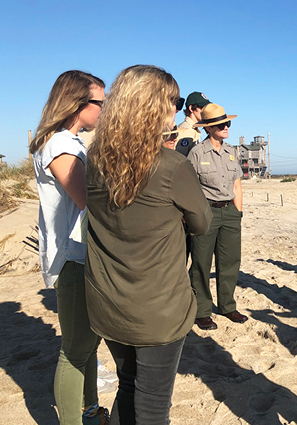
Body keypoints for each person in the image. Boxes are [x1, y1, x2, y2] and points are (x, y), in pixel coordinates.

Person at [85, 64, 211, 425]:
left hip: (107, 302)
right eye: (173, 101)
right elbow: (201, 223)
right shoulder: (170, 166)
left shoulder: (93, 161)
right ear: (153, 107)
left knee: (127, 386)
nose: (176, 109)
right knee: (154, 404)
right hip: (157, 307)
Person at [29, 69, 110, 425]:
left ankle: (89, 412)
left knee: (87, 346)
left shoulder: (69, 141)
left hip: (78, 255)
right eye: (100, 104)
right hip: (73, 258)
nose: (104, 112)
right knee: (75, 351)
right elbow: (87, 199)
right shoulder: (61, 144)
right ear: (79, 104)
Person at [187, 102, 246, 330]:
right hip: (206, 212)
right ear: (208, 128)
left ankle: (227, 306)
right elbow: (190, 187)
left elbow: (237, 185)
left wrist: (238, 212)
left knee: (230, 261)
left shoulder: (232, 152)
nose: (226, 127)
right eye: (220, 124)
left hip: (230, 212)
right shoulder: (196, 153)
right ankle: (202, 311)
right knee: (201, 263)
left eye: (227, 123)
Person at [174, 92, 210, 156]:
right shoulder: (186, 130)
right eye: (202, 108)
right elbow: (180, 158)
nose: (205, 111)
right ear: (191, 108)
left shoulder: (194, 129)